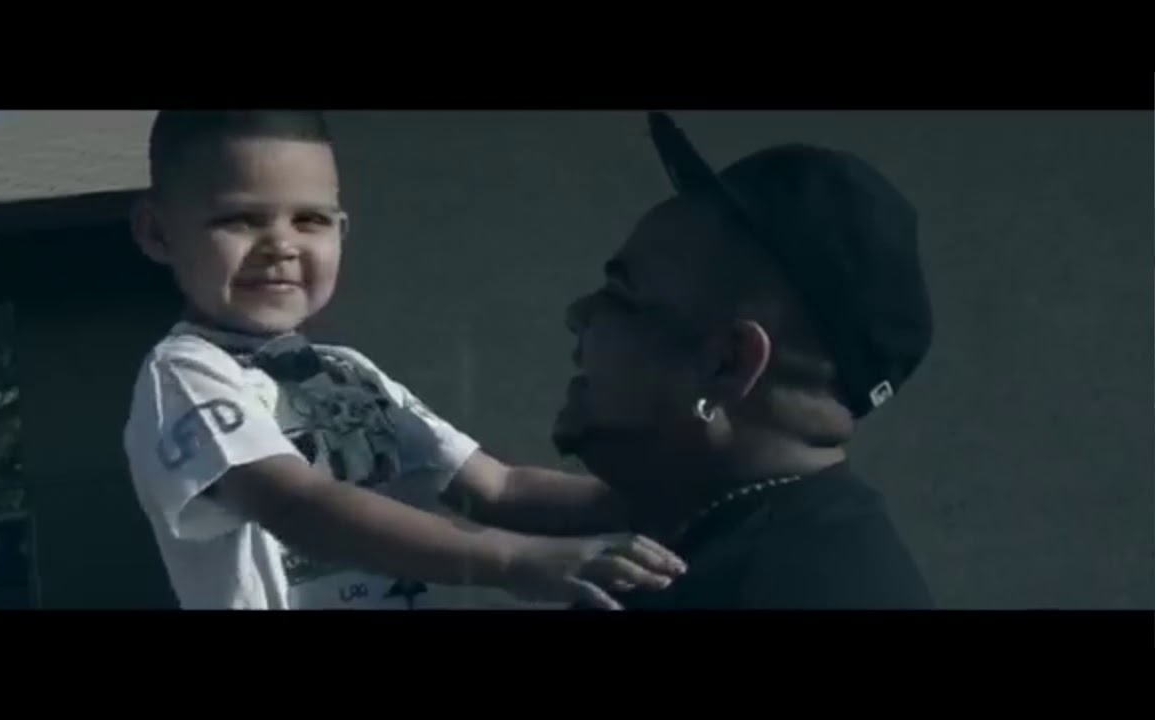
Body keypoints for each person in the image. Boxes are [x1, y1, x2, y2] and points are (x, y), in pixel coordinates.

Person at [122, 110, 686, 610]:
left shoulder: (348, 371)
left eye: (310, 220)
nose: (281, 245)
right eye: (241, 219)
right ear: (156, 233)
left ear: (341, 231)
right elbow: (298, 505)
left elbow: (498, 488)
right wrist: (517, 561)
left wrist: (667, 498)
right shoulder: (187, 373)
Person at [553, 112, 935, 609]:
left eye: (621, 296)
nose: (578, 314)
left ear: (728, 363)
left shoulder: (769, 588)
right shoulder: (740, 536)